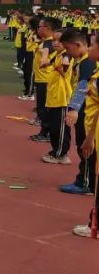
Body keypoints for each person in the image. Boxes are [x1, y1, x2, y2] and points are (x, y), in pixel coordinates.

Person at [62, 31, 98, 196]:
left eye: (67, 48)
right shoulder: (82, 62)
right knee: (84, 147)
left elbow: (83, 86)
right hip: (86, 112)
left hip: (87, 113)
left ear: (78, 45)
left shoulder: (87, 63)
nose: (66, 51)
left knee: (85, 148)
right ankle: (85, 180)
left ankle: (85, 182)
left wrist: (74, 109)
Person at [43, 29, 85, 165]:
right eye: (53, 40)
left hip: (62, 96)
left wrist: (62, 67)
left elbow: (66, 68)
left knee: (60, 128)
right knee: (55, 127)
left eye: (59, 41)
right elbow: (47, 63)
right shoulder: (58, 54)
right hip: (54, 95)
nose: (55, 43)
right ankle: (57, 150)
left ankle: (61, 154)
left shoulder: (67, 56)